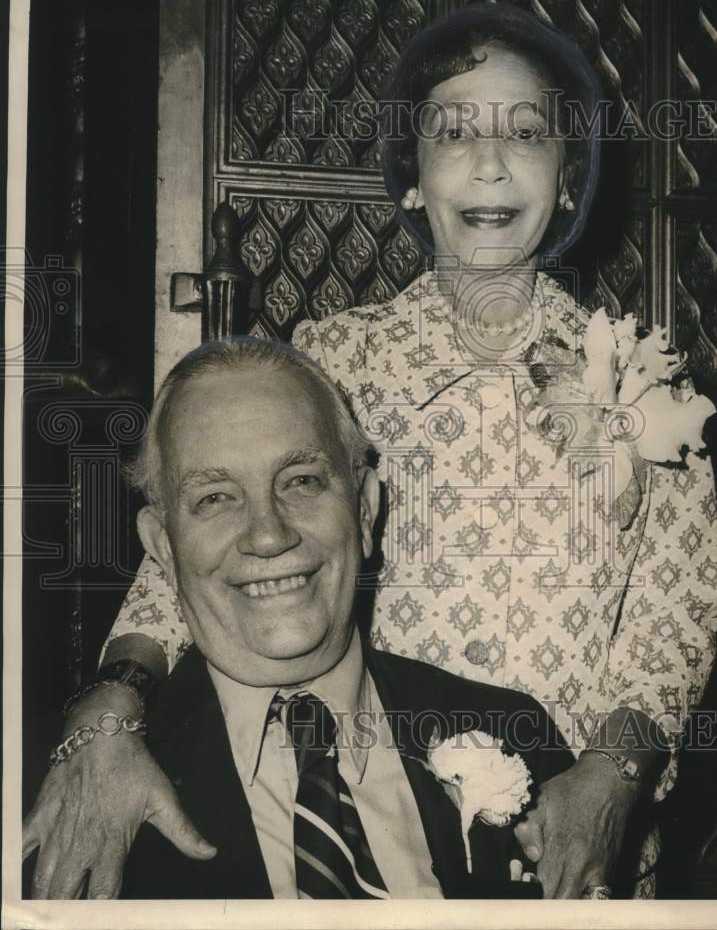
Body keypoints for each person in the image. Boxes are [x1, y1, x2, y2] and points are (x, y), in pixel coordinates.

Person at [23, 3, 717, 899]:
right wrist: (110, 713)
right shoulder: (332, 359)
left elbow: (675, 617)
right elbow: (198, 553)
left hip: (569, 829)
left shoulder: (643, 378)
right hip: (368, 793)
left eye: (525, 132)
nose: (488, 161)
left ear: (565, 180)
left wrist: (610, 781)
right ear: (410, 180)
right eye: (451, 133)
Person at [35, 336, 578, 899]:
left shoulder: (514, 732)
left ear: (364, 511)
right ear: (164, 549)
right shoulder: (63, 793)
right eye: (216, 498)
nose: (269, 535)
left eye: (301, 481)